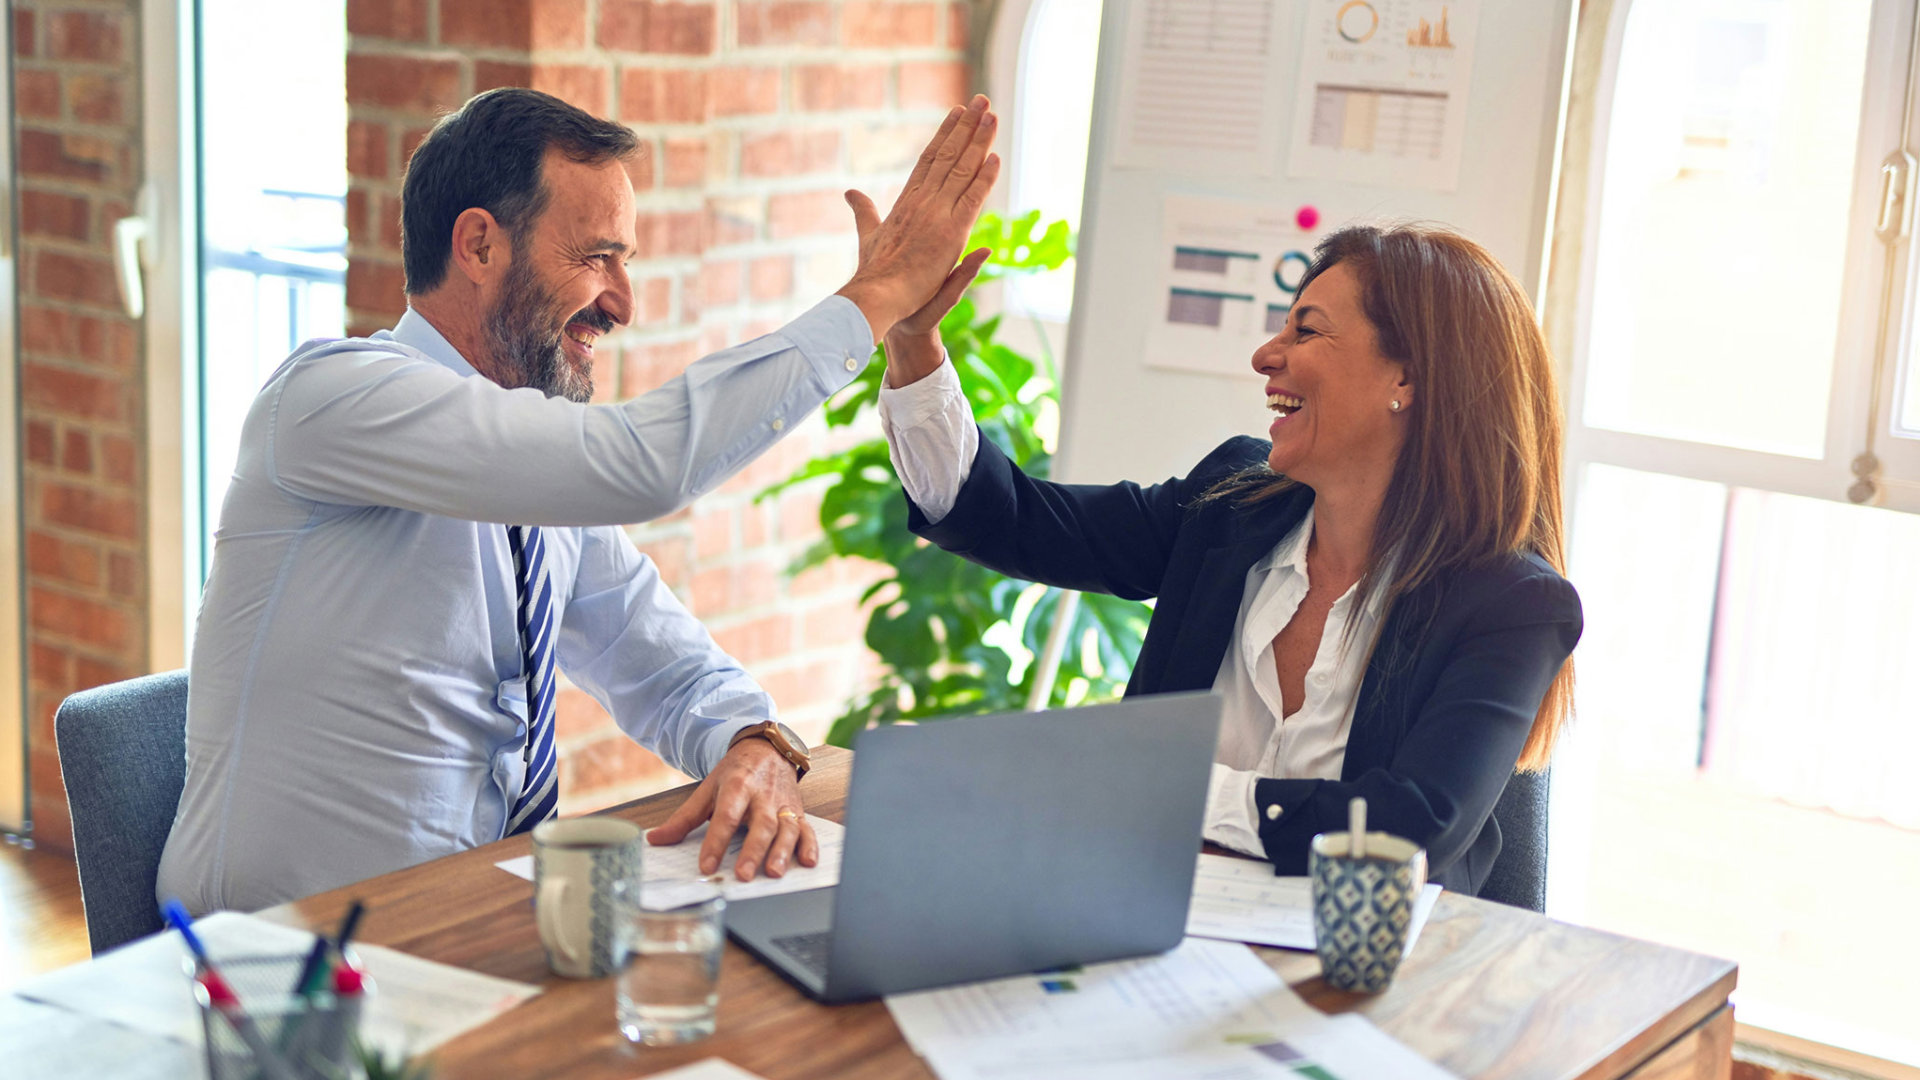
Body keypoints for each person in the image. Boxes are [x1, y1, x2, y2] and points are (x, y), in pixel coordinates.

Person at [158, 88, 1002, 913]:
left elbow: (663, 662)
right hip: (279, 966)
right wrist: (877, 296)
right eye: (598, 256)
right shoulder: (332, 399)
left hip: (469, 928)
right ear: (480, 247)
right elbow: (644, 464)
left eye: (625, 261)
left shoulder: (534, 478)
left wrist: (755, 742)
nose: (622, 303)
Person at [877, 224, 1581, 894]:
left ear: (1408, 379)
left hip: (1368, 983)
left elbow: (1406, 832)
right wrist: (914, 343)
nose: (1266, 355)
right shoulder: (1231, 507)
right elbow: (1010, 519)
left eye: (1305, 329)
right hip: (1150, 928)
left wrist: (1167, 787)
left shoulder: (1512, 605)